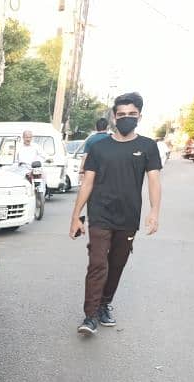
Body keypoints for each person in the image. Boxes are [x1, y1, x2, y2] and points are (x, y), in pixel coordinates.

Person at [69, 92, 162, 335]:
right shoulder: (99, 148)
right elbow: (87, 183)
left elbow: (153, 181)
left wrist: (154, 212)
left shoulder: (148, 147)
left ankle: (104, 303)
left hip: (128, 217)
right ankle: (90, 316)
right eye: (121, 115)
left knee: (117, 264)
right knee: (98, 263)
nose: (126, 118)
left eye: (132, 114)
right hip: (100, 215)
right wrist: (76, 216)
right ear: (114, 116)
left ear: (140, 116)